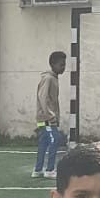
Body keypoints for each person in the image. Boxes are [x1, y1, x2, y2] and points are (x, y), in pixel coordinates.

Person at [32, 51, 67, 179]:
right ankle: (50, 170)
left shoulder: (53, 78)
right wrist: (50, 115)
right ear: (52, 64)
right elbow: (42, 97)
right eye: (61, 65)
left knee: (44, 142)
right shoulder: (48, 78)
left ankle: (38, 170)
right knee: (54, 140)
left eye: (64, 65)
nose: (63, 67)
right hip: (46, 119)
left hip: (45, 118)